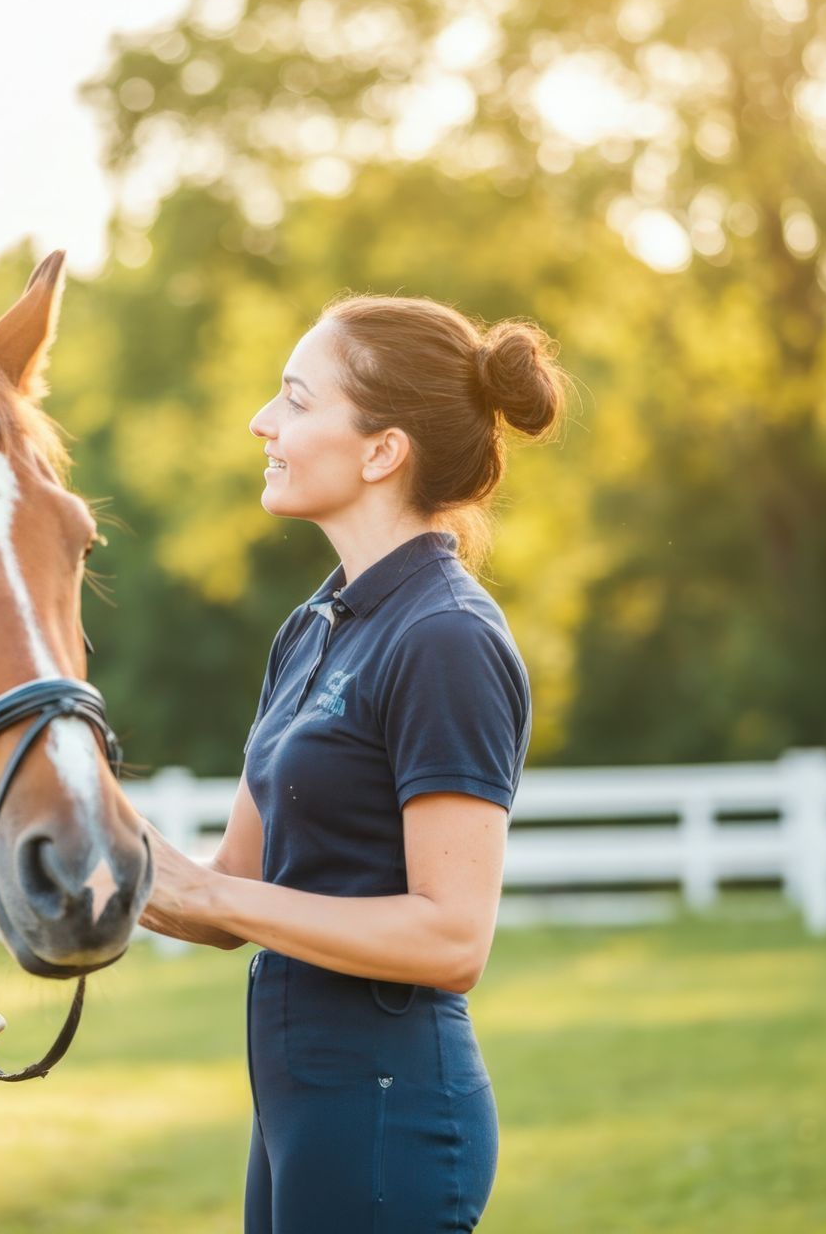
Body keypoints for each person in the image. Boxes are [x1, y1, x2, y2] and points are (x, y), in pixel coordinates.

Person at [140, 294, 567, 1231]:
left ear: (383, 451)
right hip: (297, 1112)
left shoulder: (445, 638)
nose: (263, 421)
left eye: (295, 399)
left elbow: (453, 940)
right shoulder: (312, 628)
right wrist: (56, 840)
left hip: (390, 1114)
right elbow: (228, 893)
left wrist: (218, 902)